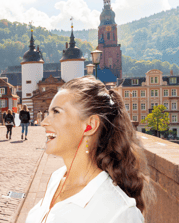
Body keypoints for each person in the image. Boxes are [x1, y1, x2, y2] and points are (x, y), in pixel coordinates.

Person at [26, 75, 154, 223]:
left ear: (90, 125)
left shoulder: (120, 213)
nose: (44, 122)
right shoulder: (57, 178)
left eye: (56, 112)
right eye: (49, 113)